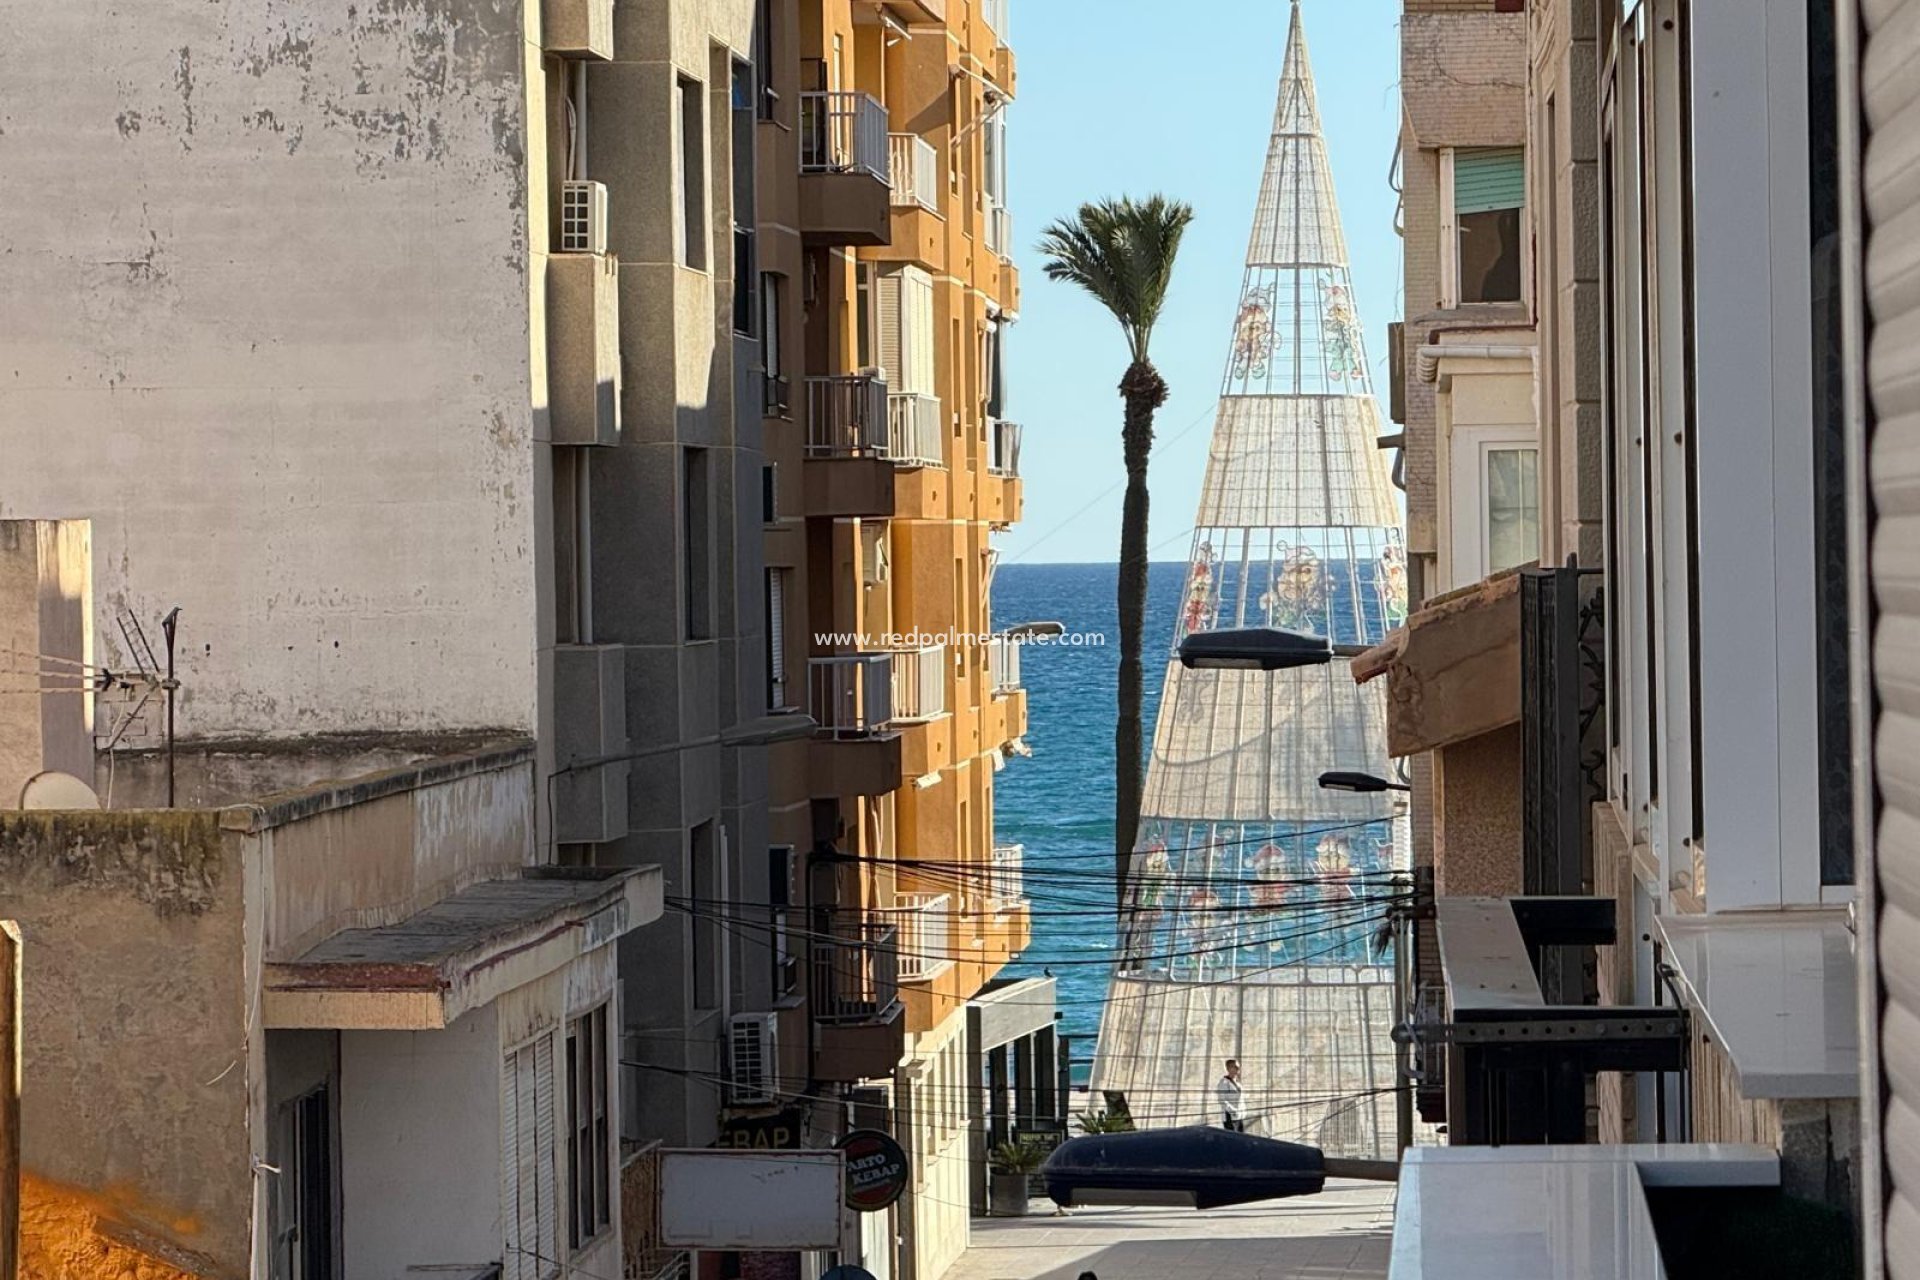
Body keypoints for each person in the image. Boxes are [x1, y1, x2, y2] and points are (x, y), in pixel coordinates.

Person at [1217, 1059, 1245, 1132]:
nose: (1237, 1068)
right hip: (1230, 1117)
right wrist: (1233, 1111)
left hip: (1239, 1116)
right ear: (1228, 1068)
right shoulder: (1224, 1083)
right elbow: (1222, 1100)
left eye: (1238, 1067)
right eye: (1234, 1066)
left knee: (1240, 1138)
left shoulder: (1238, 1083)